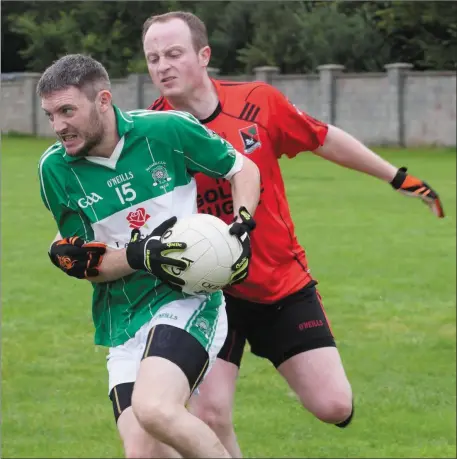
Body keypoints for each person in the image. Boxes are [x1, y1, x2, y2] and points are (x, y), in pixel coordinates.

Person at [49, 12, 445, 459]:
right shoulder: (147, 133)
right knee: (210, 413)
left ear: (204, 55)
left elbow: (322, 138)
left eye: (174, 53)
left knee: (334, 405)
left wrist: (399, 177)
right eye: (153, 57)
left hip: (278, 280)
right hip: (202, 287)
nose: (162, 66)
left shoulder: (257, 102)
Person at [38, 53, 261, 459]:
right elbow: (89, 265)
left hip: (185, 299)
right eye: (50, 114)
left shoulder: (167, 131)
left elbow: (241, 168)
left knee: (155, 408)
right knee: (144, 452)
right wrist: (141, 256)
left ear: (103, 100)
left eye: (67, 111)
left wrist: (243, 223)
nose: (58, 126)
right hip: (122, 320)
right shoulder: (55, 170)